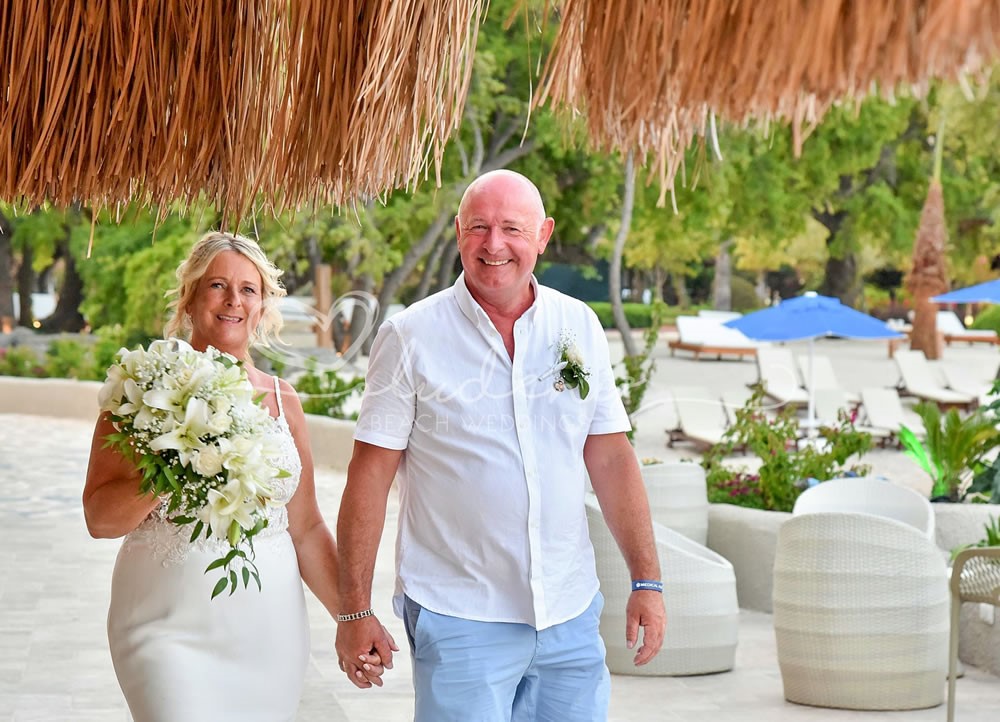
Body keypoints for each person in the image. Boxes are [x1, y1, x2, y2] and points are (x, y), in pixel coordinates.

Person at [335, 170, 666, 720]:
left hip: (568, 612)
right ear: (458, 232)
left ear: (543, 235)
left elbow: (611, 458)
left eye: (512, 228)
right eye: (479, 227)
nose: (494, 244)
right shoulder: (410, 335)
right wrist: (353, 611)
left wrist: (647, 580)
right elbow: (368, 477)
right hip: (459, 614)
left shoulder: (579, 324)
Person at [83, 231, 391, 721]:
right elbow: (99, 519)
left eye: (248, 289)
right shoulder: (140, 390)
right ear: (189, 298)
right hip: (164, 628)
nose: (233, 300)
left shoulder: (283, 399)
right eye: (217, 285)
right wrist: (175, 462)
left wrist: (353, 616)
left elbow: (306, 529)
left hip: (268, 634)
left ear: (263, 304)